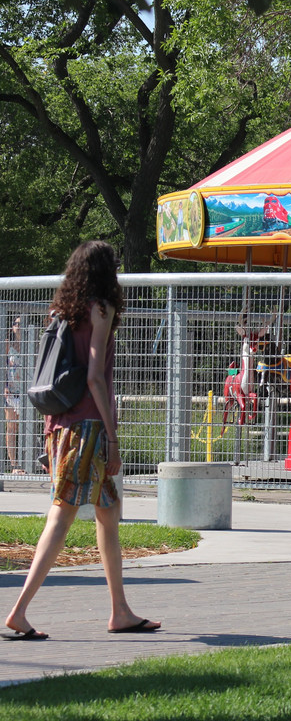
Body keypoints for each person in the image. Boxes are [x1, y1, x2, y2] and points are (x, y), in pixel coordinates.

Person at [5, 241, 161, 641]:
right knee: (62, 517)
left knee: (109, 514)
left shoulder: (62, 311)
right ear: (106, 272)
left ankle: (120, 611)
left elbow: (49, 375)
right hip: (88, 429)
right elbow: (95, 377)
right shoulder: (101, 310)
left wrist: (49, 435)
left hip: (60, 425)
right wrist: (113, 437)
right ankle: (18, 613)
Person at [4, 317, 23, 474]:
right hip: (11, 392)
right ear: (12, 328)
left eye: (22, 324)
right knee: (11, 428)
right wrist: (3, 385)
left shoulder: (31, 344)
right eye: (17, 324)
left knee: (25, 427)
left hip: (25, 394)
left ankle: (27, 462)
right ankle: (14, 465)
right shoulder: (7, 345)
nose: (19, 327)